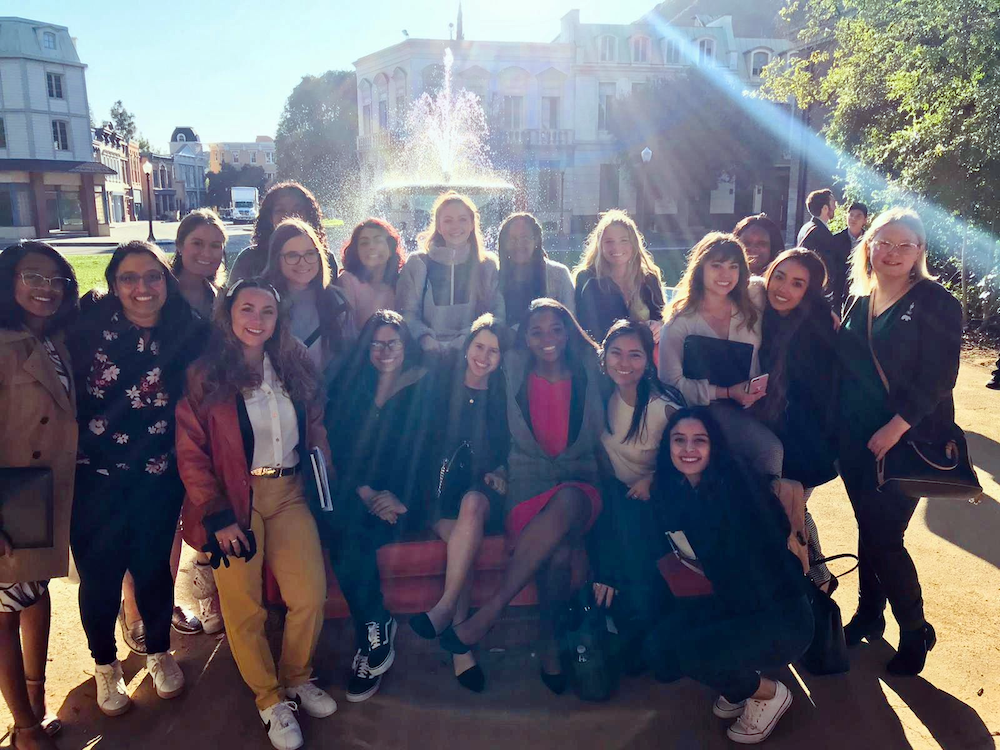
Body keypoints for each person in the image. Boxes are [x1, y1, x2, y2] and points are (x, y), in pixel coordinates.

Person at [175, 278, 335, 750]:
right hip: (234, 501)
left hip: (288, 492)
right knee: (243, 607)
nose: (257, 320)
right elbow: (192, 451)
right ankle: (269, 699)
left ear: (278, 318)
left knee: (309, 595)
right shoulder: (207, 374)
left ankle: (296, 677)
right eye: (247, 309)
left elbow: (316, 422)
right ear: (229, 314)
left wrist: (322, 471)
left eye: (267, 311)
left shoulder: (294, 363)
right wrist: (216, 513)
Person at [66, 241, 209, 716]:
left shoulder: (187, 331)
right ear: (113, 283)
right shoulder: (87, 329)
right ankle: (105, 665)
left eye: (151, 276)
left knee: (153, 568)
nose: (141, 288)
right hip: (94, 475)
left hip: (158, 475)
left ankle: (158, 651)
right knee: (100, 575)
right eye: (128, 278)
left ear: (165, 281)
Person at [439, 299, 605, 695]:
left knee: (567, 500)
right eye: (536, 331)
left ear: (568, 332)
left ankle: (489, 613)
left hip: (581, 485)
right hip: (528, 490)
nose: (547, 338)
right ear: (524, 339)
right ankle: (548, 645)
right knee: (561, 554)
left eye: (556, 329)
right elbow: (471, 368)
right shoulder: (511, 370)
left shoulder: (590, 371)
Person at [836, 208, 960, 675]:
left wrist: (897, 426)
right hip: (855, 442)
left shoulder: (935, 302)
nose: (890, 252)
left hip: (906, 440)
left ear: (919, 253)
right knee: (869, 528)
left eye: (903, 244)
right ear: (868, 246)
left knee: (886, 536)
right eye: (882, 242)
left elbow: (939, 375)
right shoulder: (858, 299)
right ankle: (870, 613)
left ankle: (915, 629)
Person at [644, 407, 813, 744]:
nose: (688, 449)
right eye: (679, 440)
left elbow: (761, 551)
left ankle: (767, 693)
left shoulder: (735, 489)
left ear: (713, 447)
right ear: (668, 448)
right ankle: (738, 681)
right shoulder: (681, 489)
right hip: (736, 604)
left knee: (689, 651)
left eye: (699, 441)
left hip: (779, 615)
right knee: (664, 646)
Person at [320, 310, 436, 703]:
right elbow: (340, 448)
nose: (385, 350)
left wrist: (399, 498)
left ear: (406, 346)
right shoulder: (353, 388)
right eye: (377, 343)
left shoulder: (423, 387)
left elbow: (428, 454)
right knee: (340, 527)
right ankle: (374, 627)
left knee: (350, 535)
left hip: (408, 500)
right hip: (361, 494)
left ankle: (370, 639)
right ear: (365, 348)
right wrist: (368, 494)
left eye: (393, 343)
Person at [0, 241, 79, 750]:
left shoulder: (54, 338)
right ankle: (25, 725)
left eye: (56, 280)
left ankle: (37, 700)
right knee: (4, 610)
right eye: (33, 277)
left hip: (44, 488)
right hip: (10, 492)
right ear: (9, 281)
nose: (46, 289)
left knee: (34, 593)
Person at [407, 314, 510, 692]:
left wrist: (504, 471)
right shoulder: (439, 388)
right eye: (479, 346)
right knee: (462, 543)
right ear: (467, 347)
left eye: (494, 351)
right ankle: (460, 644)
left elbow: (510, 450)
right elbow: (417, 445)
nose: (484, 356)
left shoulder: (502, 398)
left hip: (484, 495)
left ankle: (446, 608)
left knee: (472, 507)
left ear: (501, 359)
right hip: (438, 498)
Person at [590, 320, 682, 659]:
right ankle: (625, 624)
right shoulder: (601, 394)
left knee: (631, 533)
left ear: (648, 360)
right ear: (603, 357)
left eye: (635, 355)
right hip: (617, 498)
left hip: (656, 502)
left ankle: (647, 630)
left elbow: (696, 457)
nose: (624, 363)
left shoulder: (662, 406)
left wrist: (654, 479)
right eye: (616, 353)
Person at [658, 232, 783, 478]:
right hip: (711, 408)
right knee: (770, 450)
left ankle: (795, 513)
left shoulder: (754, 295)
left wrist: (822, 312)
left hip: (759, 402)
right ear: (700, 269)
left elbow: (789, 295)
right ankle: (768, 514)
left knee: (803, 449)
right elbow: (670, 383)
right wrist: (725, 392)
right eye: (716, 266)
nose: (725, 275)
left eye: (733, 266)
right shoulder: (679, 321)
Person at [754, 249, 839, 590]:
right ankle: (816, 578)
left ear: (810, 291)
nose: (784, 288)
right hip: (774, 435)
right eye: (780, 277)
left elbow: (817, 400)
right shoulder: (767, 317)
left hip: (804, 444)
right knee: (790, 510)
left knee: (790, 509)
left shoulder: (816, 329)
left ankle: (815, 580)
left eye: (797, 283)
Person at [396, 191, 504, 352]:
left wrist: (468, 337)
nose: (456, 227)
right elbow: (407, 313)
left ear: (472, 224)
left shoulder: (487, 265)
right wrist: (425, 338)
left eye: (462, 219)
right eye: (448, 221)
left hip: (473, 353)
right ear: (438, 227)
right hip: (426, 353)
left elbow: (497, 314)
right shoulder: (418, 263)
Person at [262, 218, 352, 373]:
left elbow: (348, 358)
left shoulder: (338, 301)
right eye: (292, 255)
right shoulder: (259, 298)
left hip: (327, 392)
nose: (302, 262)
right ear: (277, 259)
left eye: (310, 254)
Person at [573, 210, 665, 344]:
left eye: (624, 240)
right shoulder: (587, 279)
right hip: (602, 356)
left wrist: (660, 325)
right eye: (609, 241)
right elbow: (584, 328)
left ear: (633, 244)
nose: (616, 247)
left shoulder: (648, 278)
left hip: (643, 355)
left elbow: (664, 315)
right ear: (600, 246)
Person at [230, 182, 334, 281]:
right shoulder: (248, 259)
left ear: (309, 215)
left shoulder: (325, 258)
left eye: (297, 210)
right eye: (280, 210)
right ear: (269, 217)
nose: (289, 216)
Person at [496, 212, 574, 328]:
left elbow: (571, 322)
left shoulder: (559, 274)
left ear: (536, 240)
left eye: (525, 238)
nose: (518, 244)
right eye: (512, 239)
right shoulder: (494, 276)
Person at [338, 218, 405, 324]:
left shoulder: (401, 281)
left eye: (378, 241)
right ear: (356, 251)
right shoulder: (348, 281)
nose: (372, 247)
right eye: (364, 243)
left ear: (391, 248)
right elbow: (347, 332)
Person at [171, 208, 228, 318]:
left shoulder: (223, 300)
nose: (207, 253)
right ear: (179, 245)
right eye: (197, 243)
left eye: (215, 245)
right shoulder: (160, 293)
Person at [797, 189, 848, 312]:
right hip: (816, 299)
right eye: (833, 204)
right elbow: (827, 269)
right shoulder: (819, 233)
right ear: (825, 208)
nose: (835, 208)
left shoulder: (806, 228)